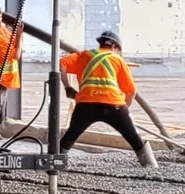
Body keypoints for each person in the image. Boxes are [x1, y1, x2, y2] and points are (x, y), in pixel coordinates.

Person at [56, 31, 157, 167]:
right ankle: (151, 167)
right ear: (115, 47)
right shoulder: (117, 60)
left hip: (86, 105)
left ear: (101, 43)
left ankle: (54, 165)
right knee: (134, 139)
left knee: (70, 137)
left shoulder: (84, 55)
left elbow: (61, 64)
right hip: (113, 106)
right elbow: (131, 91)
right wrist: (124, 110)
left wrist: (67, 86)